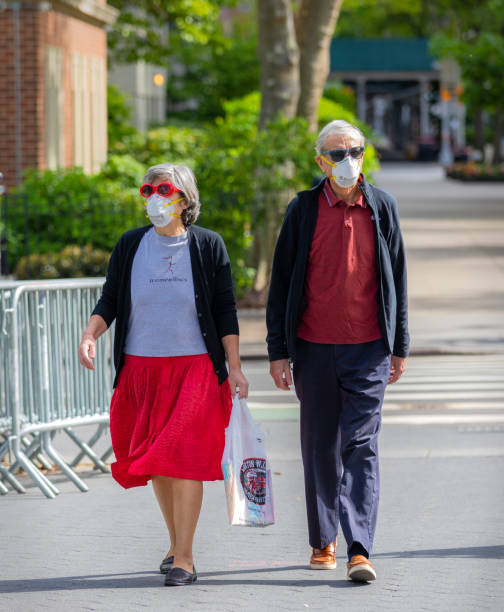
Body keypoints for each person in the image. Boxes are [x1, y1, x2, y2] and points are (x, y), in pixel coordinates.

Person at [78, 163, 248, 587]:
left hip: (194, 368)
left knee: (185, 459)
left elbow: (225, 309)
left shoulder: (208, 245)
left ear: (185, 199)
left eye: (164, 189)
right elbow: (111, 298)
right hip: (142, 369)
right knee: (160, 462)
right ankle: (175, 543)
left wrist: (236, 367)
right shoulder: (131, 244)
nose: (155, 196)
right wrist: (90, 333)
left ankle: (185, 559)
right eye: (149, 189)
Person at [266, 120, 409, 583]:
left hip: (368, 348)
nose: (347, 161)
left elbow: (398, 279)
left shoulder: (382, 207)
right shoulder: (303, 209)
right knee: (319, 446)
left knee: (361, 445)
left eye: (355, 151)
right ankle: (323, 539)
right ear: (320, 161)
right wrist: (278, 350)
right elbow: (282, 282)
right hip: (312, 347)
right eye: (336, 154)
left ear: (365, 155)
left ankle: (359, 547)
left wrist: (399, 345)